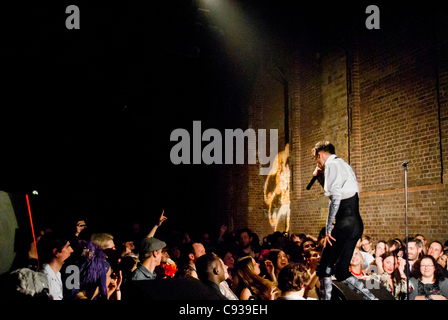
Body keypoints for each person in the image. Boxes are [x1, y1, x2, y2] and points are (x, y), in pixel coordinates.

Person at [311, 141, 376, 300]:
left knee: (324, 268)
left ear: (320, 155)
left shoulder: (332, 165)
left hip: (344, 223)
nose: (317, 163)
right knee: (341, 271)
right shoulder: (343, 164)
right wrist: (320, 177)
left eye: (316, 159)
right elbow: (339, 190)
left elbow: (336, 198)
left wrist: (328, 228)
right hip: (355, 224)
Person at [37, 232, 73, 300]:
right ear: (56, 252)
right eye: (68, 246)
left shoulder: (57, 274)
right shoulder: (46, 279)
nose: (71, 250)